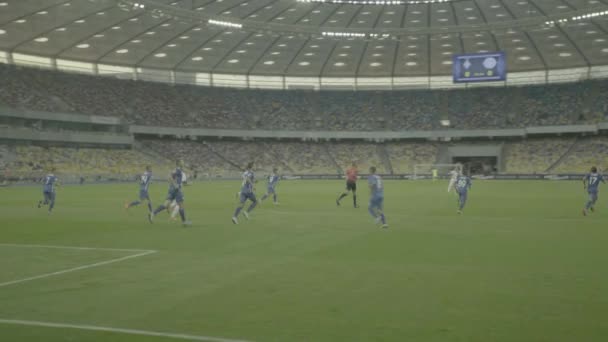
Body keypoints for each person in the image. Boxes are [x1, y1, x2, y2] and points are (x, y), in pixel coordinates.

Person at [149, 161, 191, 226]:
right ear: (179, 164)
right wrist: (175, 185)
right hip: (177, 190)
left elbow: (181, 182)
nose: (184, 163)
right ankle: (184, 222)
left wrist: (189, 184)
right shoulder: (178, 170)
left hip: (172, 189)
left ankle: (153, 213)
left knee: (165, 205)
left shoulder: (178, 171)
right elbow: (170, 177)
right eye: (183, 162)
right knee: (181, 206)